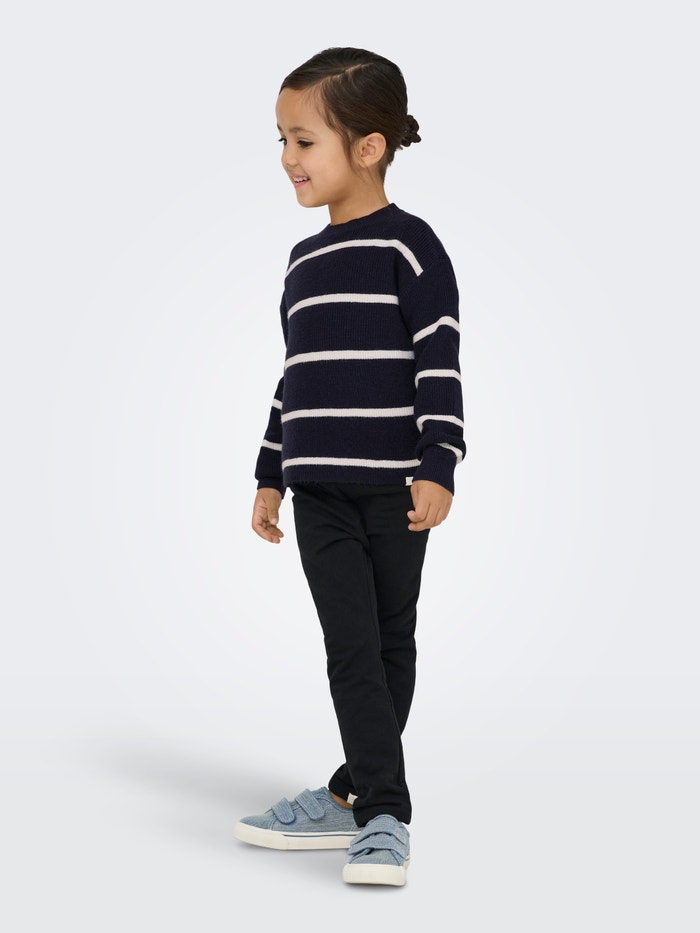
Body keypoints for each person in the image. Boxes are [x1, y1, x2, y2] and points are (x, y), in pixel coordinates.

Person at [233, 47, 466, 887]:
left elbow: (439, 361)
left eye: (304, 141)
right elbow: (293, 376)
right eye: (282, 140)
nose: (287, 158)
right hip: (320, 490)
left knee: (389, 641)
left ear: (368, 147)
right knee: (352, 646)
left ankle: (350, 795)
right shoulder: (303, 261)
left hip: (397, 487)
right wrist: (269, 471)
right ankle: (384, 810)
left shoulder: (412, 247)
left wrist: (440, 461)